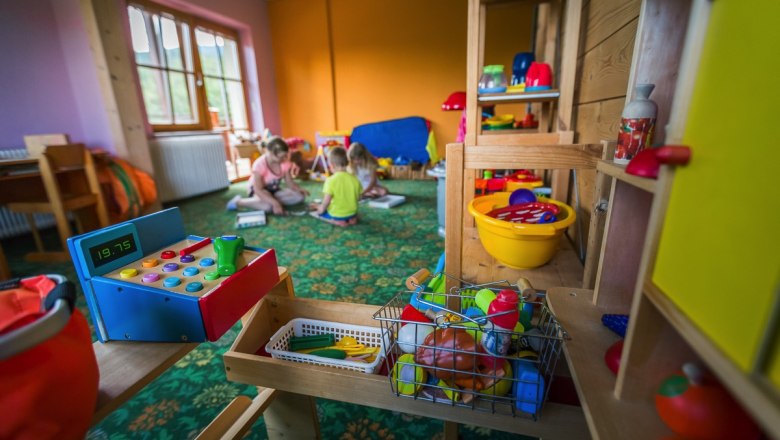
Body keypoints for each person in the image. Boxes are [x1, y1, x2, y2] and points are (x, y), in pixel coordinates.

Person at [226, 136, 308, 214]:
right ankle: (239, 202)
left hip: (274, 191)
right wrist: (275, 203)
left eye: (285, 156)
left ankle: (271, 201)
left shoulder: (284, 162)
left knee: (300, 196)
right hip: (258, 191)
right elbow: (259, 189)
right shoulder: (259, 165)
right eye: (281, 157)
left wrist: (299, 189)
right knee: (268, 207)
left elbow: (290, 183)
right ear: (271, 153)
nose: (284, 159)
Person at [309, 147, 361, 226]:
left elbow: (326, 203)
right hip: (352, 213)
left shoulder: (330, 180)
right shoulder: (355, 179)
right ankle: (351, 219)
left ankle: (335, 221)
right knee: (350, 213)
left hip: (337, 215)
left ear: (332, 165)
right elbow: (358, 198)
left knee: (316, 214)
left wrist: (319, 210)